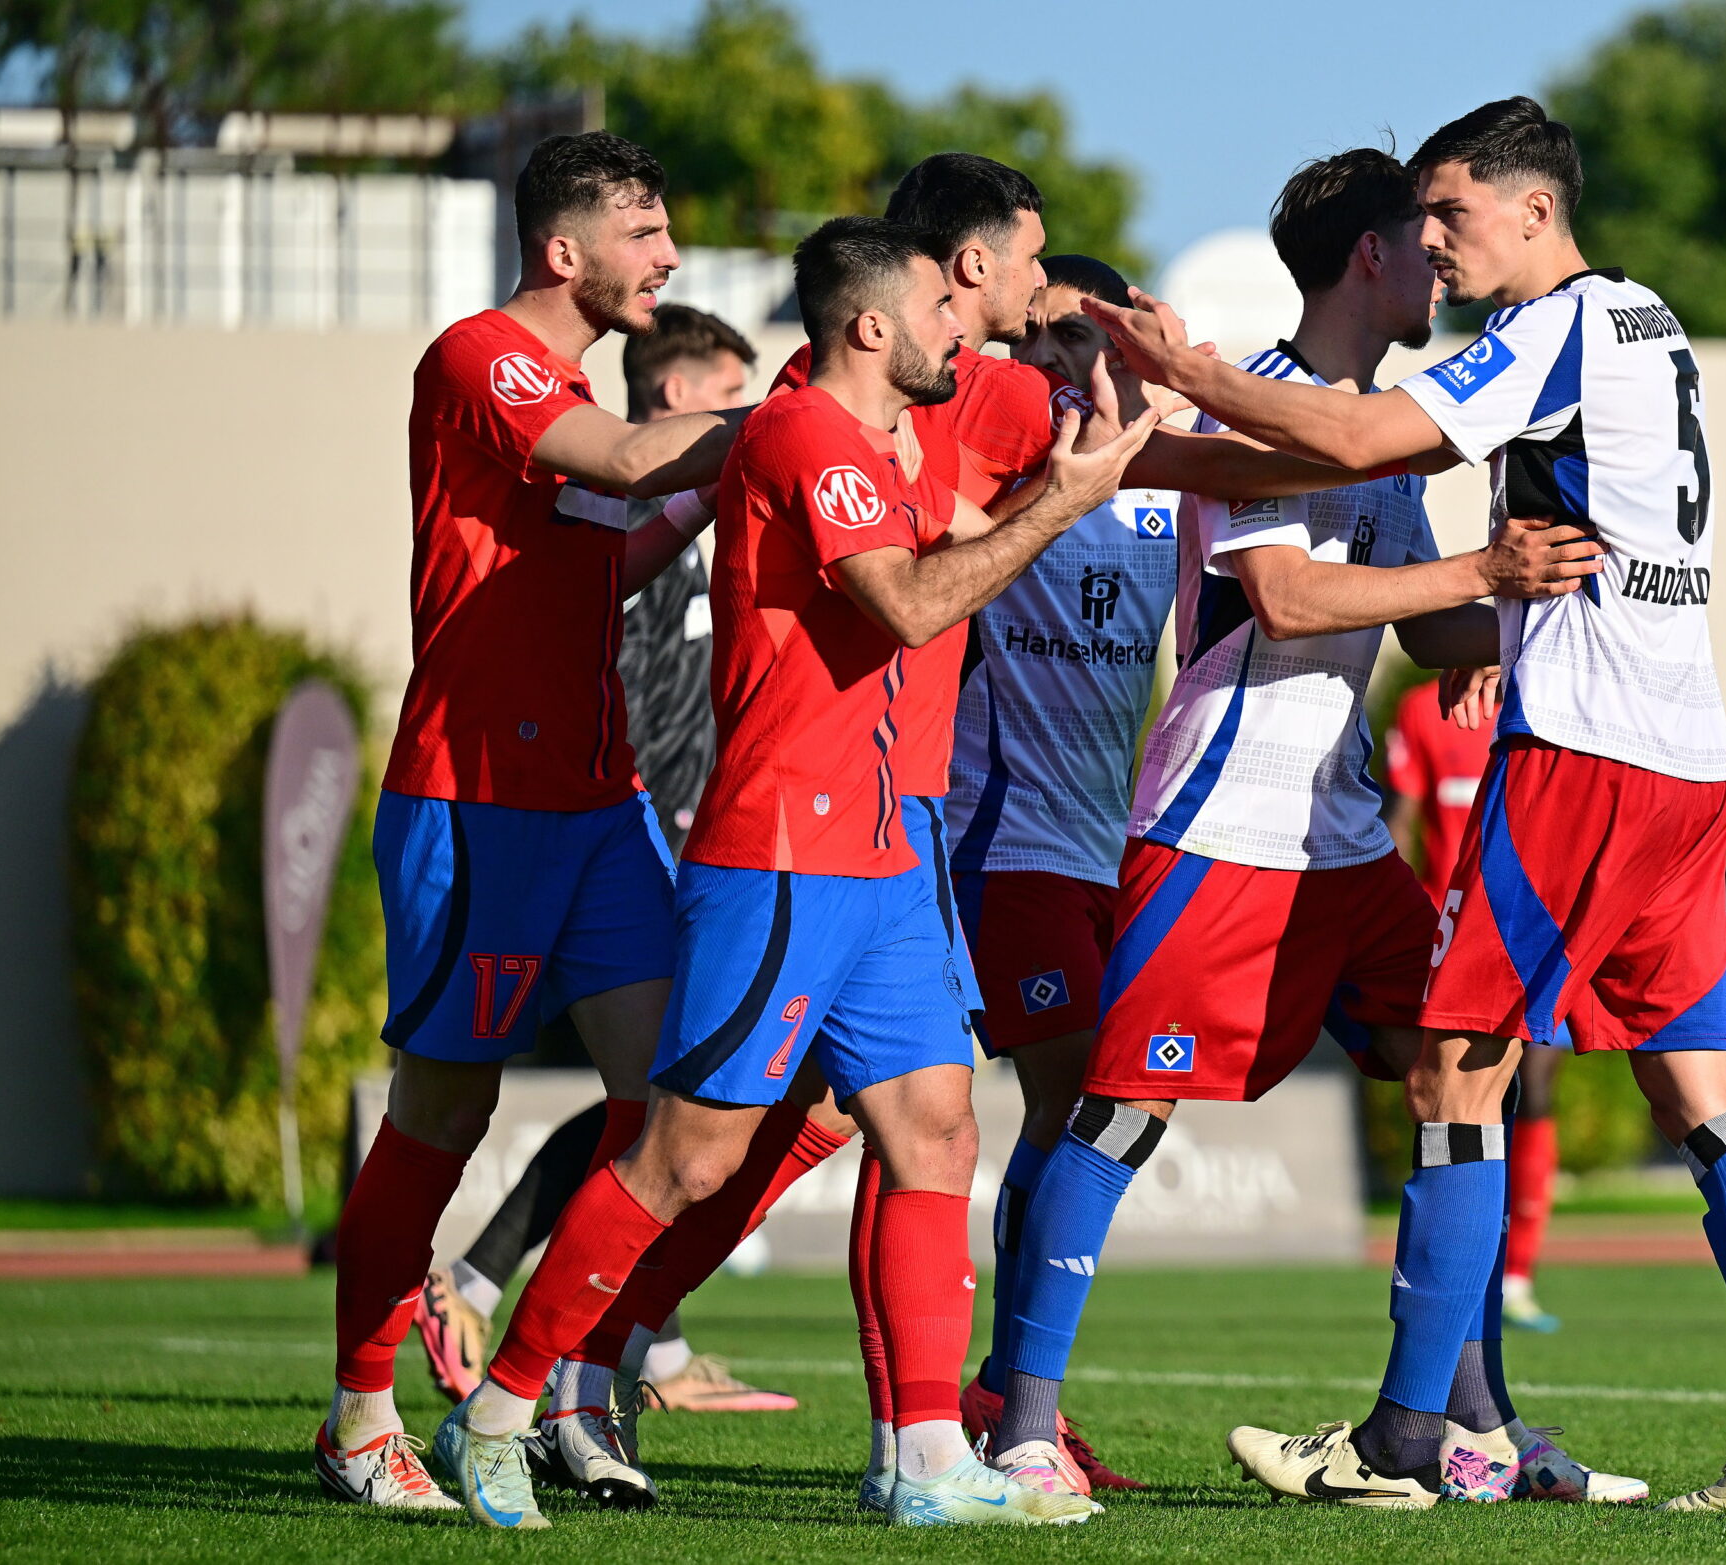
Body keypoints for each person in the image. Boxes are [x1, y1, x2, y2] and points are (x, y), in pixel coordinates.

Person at [1087, 97, 1726, 1515]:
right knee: (1706, 1092)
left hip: (1580, 756)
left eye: (1451, 212)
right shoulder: (1654, 322)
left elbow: (1371, 433)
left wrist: (1177, 370)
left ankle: (1402, 1439)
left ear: (1534, 210)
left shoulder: (1559, 323)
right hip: (1689, 756)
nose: (1433, 244)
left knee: (1455, 1076)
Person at [428, 214, 1154, 1529]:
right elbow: (917, 602)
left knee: (934, 1130)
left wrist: (1092, 465)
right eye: (943, 308)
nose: (962, 329)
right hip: (780, 861)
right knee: (685, 1161)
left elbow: (980, 538)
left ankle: (927, 1460)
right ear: (872, 325)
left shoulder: (891, 442)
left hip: (885, 862)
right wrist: (1065, 498)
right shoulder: (802, 432)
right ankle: (500, 1404)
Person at [985, 147, 1632, 1510]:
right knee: (1122, 1112)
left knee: (1464, 1078)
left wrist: (1559, 603)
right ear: (1371, 256)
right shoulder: (1271, 409)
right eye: (1428, 230)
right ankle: (1024, 1424)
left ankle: (1475, 1428)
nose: (1447, 257)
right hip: (1220, 830)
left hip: (1342, 846)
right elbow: (1281, 598)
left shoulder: (1368, 425)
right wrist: (1479, 573)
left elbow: (1424, 610)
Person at [315, 130, 744, 1516]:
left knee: (678, 1104)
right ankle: (361, 1414)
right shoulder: (480, 355)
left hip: (595, 802)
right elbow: (621, 458)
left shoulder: (554, 382)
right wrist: (783, 421)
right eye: (646, 231)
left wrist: (706, 496)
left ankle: (556, 1386)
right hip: (473, 799)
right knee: (448, 1104)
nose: (668, 256)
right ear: (565, 251)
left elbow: (608, 547)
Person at [412, 303, 801, 1420]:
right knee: (655, 1097)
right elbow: (591, 662)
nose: (749, 405)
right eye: (730, 381)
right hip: (621, 825)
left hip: (658, 825)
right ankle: (517, 1309)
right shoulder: (601, 495)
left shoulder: (675, 513)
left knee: (654, 1095)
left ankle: (613, 1340)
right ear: (681, 394)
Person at [947, 252, 1180, 1492]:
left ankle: (1006, 1396)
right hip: (1000, 846)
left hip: (1108, 852)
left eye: (1080, 341)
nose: (1056, 365)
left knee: (801, 1130)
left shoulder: (1160, 491)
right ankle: (1006, 1400)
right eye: (1037, 341)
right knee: (1084, 1099)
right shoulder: (999, 480)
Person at [1385, 678, 1565, 1334]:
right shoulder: (1420, 706)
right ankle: (1451, 1276)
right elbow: (1401, 820)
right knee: (1452, 1097)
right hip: (1452, 928)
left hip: (1536, 924)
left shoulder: (1546, 692)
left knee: (1533, 1089)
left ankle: (1515, 1275)